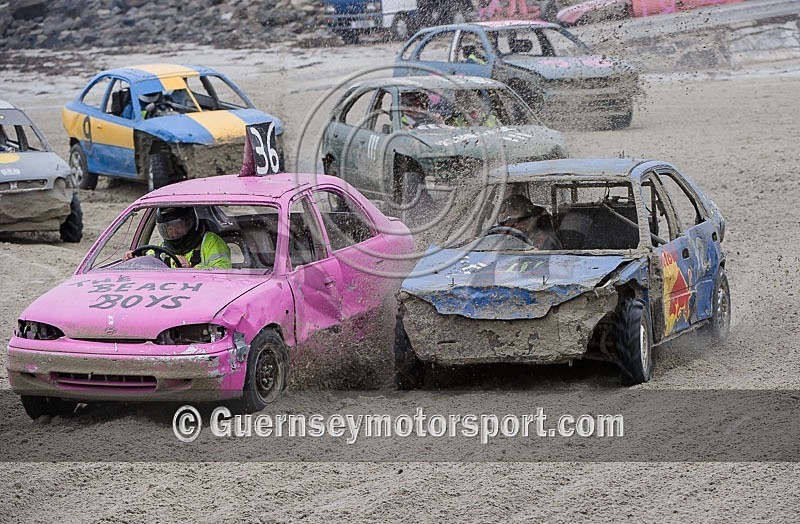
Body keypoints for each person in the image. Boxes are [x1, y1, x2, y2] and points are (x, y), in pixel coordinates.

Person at [124, 207, 232, 268]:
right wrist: (134, 261)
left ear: (190, 222)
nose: (173, 232)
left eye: (178, 226)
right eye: (168, 228)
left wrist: (191, 270)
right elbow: (147, 266)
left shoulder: (211, 242)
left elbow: (224, 274)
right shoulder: (159, 250)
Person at [491, 193, 561, 250]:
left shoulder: (543, 240)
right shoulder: (495, 233)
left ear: (530, 220)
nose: (509, 224)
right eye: (505, 222)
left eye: (515, 221)